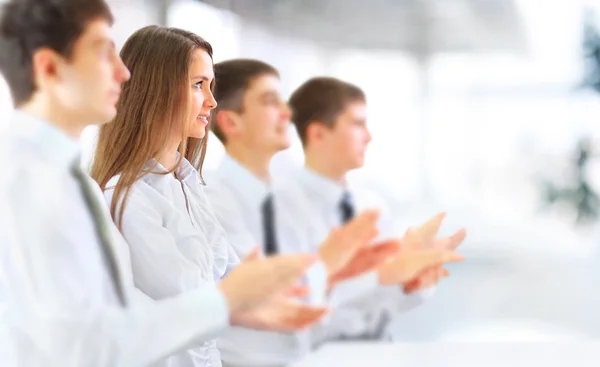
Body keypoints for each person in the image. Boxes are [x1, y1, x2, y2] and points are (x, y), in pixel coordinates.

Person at [0, 2, 328, 366]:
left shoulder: (182, 185)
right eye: (198, 85)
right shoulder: (90, 192)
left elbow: (224, 286)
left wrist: (251, 295)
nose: (122, 74)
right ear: (48, 68)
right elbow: (107, 335)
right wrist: (230, 301)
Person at [88, 25, 382, 367]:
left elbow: (232, 281)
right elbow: (196, 302)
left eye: (211, 86)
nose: (211, 101)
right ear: (158, 90)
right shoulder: (129, 198)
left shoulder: (191, 187)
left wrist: (335, 273)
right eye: (198, 85)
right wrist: (322, 264)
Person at [204, 59, 465, 366]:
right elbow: (269, 296)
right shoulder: (219, 200)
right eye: (271, 102)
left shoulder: (284, 202)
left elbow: (318, 293)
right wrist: (357, 271)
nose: (288, 114)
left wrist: (407, 282)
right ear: (231, 123)